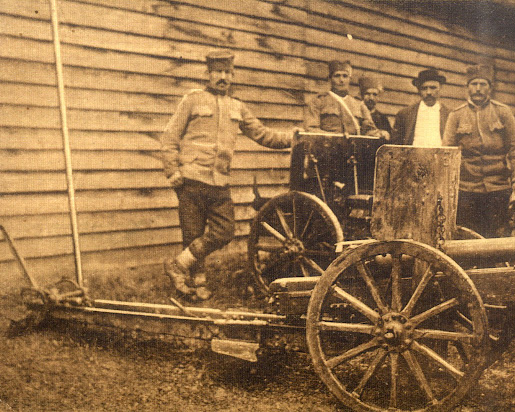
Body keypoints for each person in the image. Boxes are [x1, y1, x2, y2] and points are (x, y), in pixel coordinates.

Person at [160, 49, 295, 300]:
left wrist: (294, 138)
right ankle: (195, 284)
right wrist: (172, 171)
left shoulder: (237, 107)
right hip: (191, 179)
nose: (223, 77)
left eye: (227, 73)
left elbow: (263, 134)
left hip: (219, 181)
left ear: (232, 76)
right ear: (207, 74)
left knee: (225, 231)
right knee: (193, 234)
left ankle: (177, 265)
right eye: (218, 72)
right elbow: (170, 137)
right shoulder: (192, 100)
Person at [443, 64, 515, 238]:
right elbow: (446, 152)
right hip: (467, 187)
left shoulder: (503, 112)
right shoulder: (456, 115)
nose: (478, 89)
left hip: (498, 185)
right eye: (474, 84)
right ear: (467, 88)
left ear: (490, 87)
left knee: (498, 235)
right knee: (468, 236)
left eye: (483, 84)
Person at [304, 60, 388, 139]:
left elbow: (369, 130)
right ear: (330, 79)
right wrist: (336, 137)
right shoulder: (318, 101)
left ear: (349, 79)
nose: (341, 80)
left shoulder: (359, 104)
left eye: (345, 76)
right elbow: (311, 129)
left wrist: (380, 134)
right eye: (337, 76)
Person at [391, 68, 449, 147]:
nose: (428, 92)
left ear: (440, 88)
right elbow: (396, 144)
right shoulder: (405, 114)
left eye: (433, 88)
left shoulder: (449, 115)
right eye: (424, 88)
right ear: (418, 90)